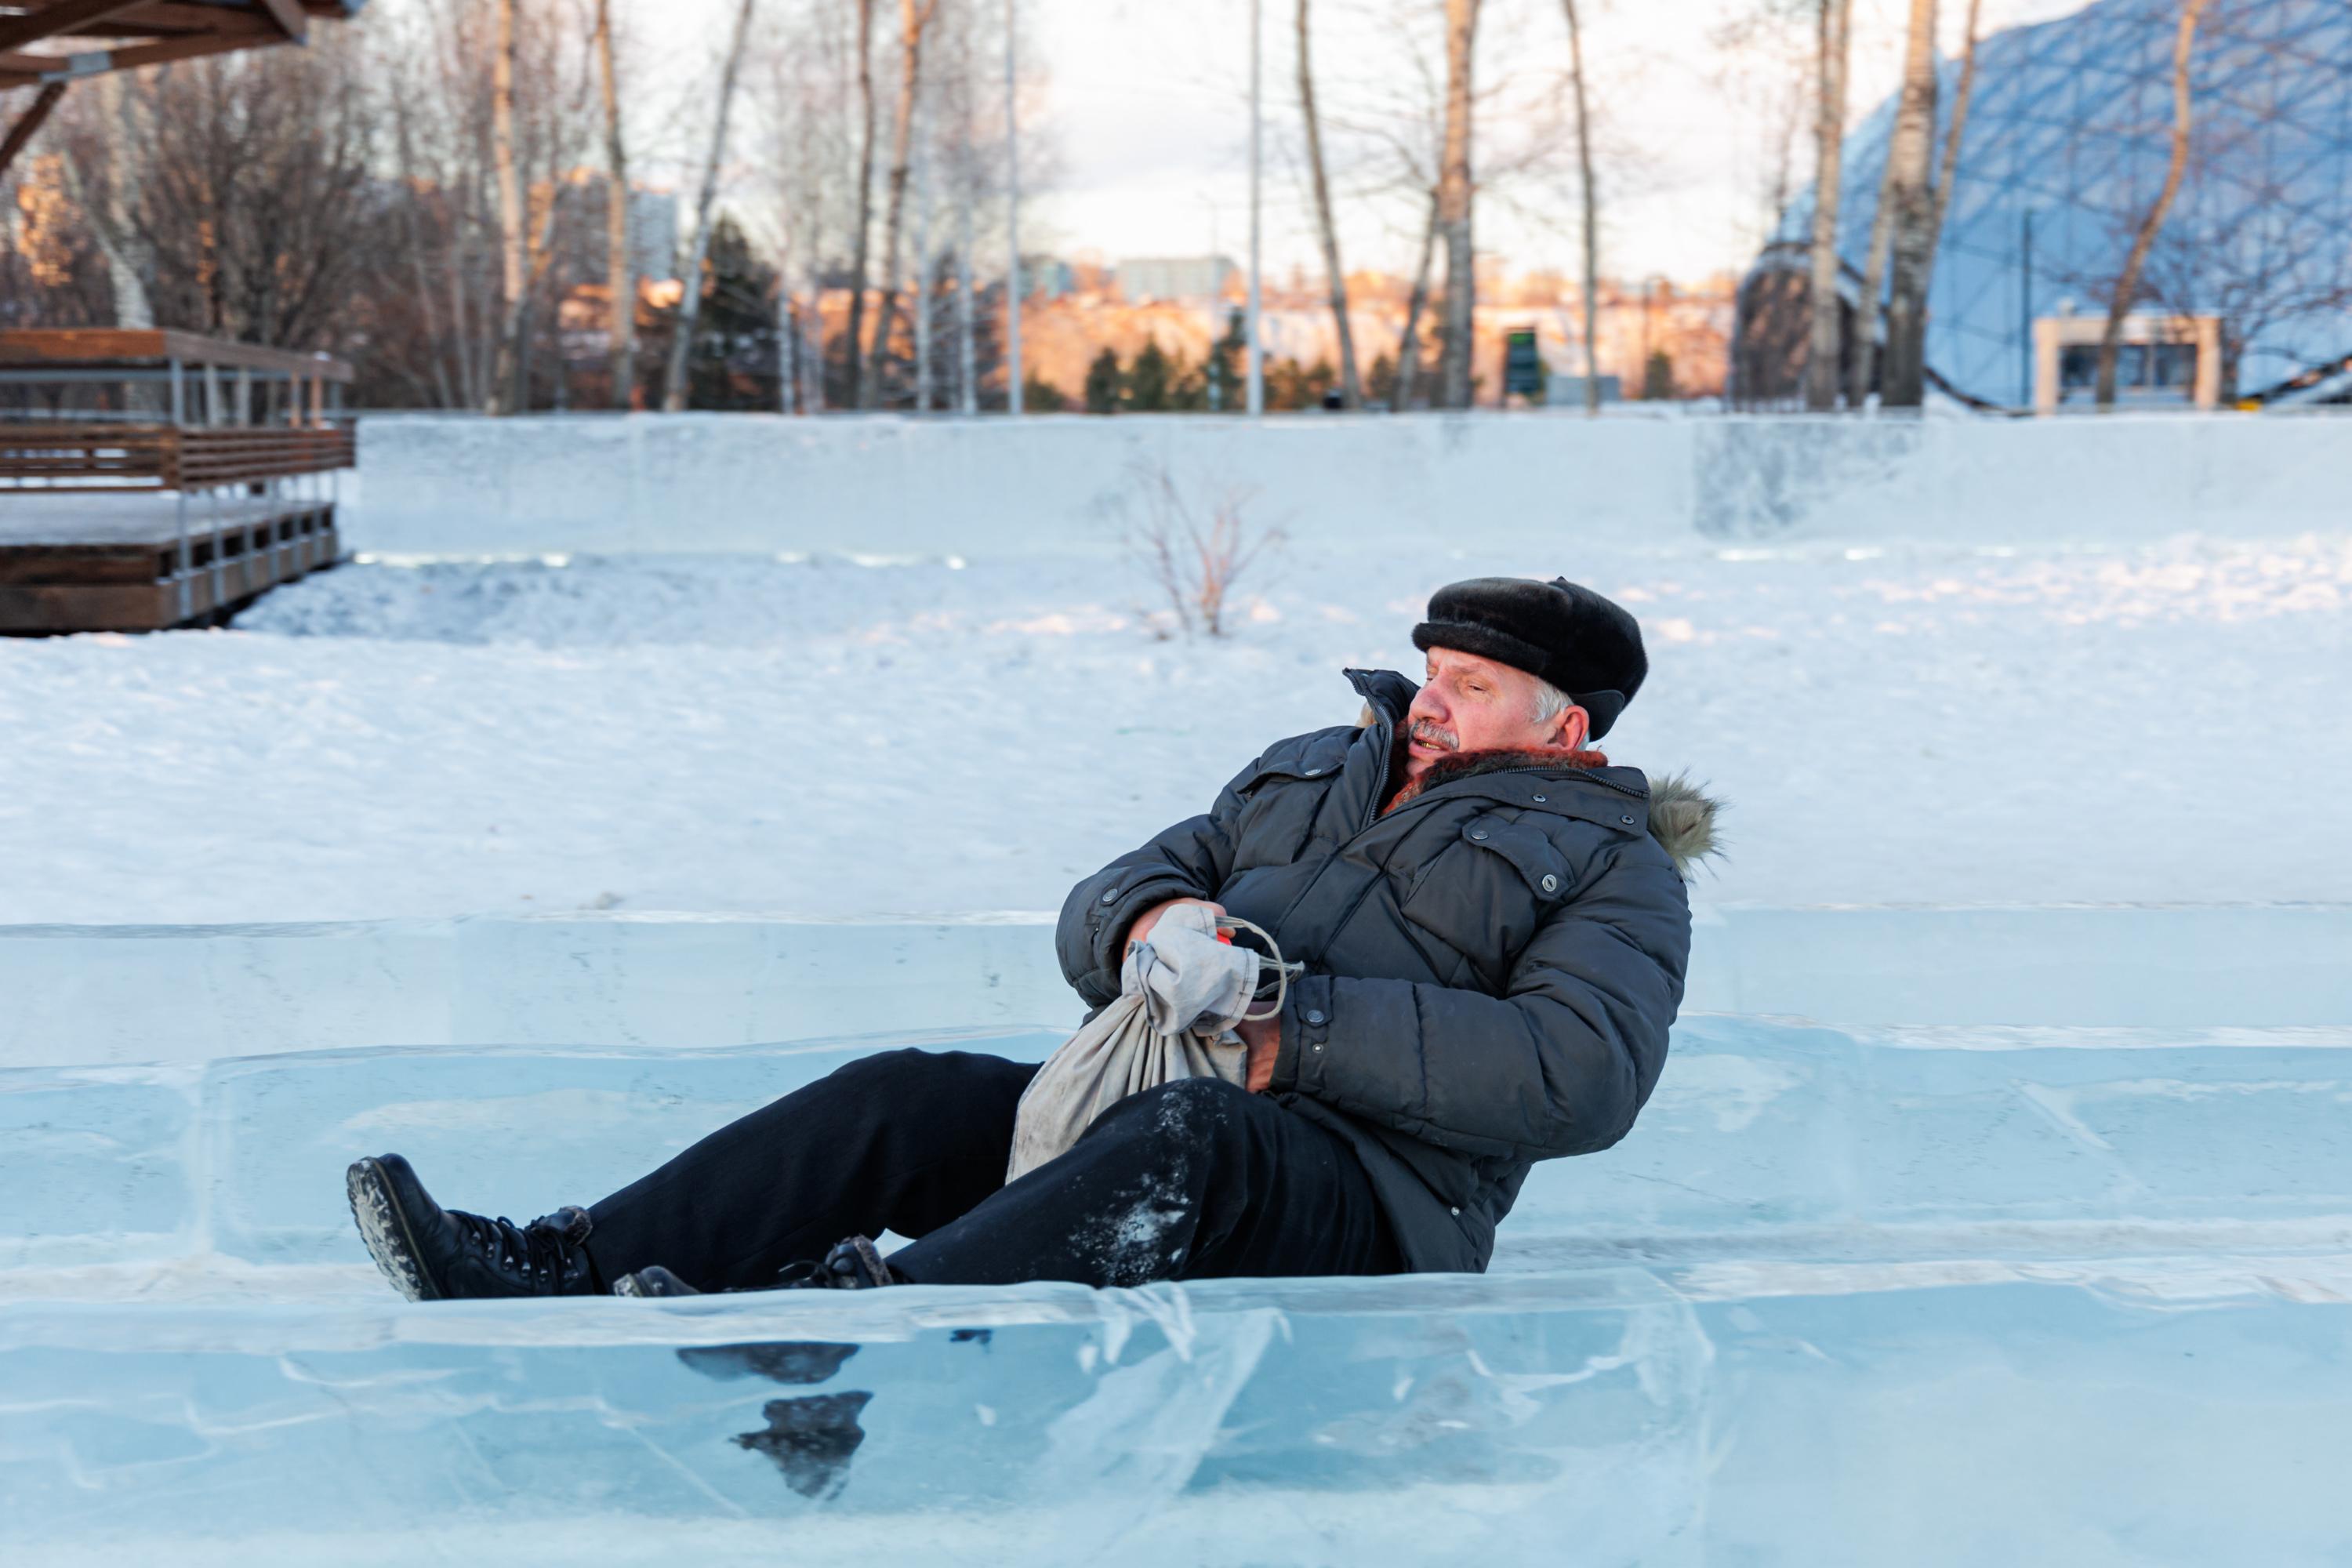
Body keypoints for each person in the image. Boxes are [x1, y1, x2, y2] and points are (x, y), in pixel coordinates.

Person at [347, 575, 1719, 1301]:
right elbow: (1117, 889)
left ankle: (871, 1323)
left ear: (1564, 727)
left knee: (1196, 1140)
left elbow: (1577, 1076)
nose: (1429, 705)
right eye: (1428, 675)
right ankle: (552, 1268)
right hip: (1131, 1114)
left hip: (1369, 1208)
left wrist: (1285, 1037)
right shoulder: (1315, 765)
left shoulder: (1615, 870)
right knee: (912, 1094)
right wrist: (1154, 920)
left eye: (1469, 689)